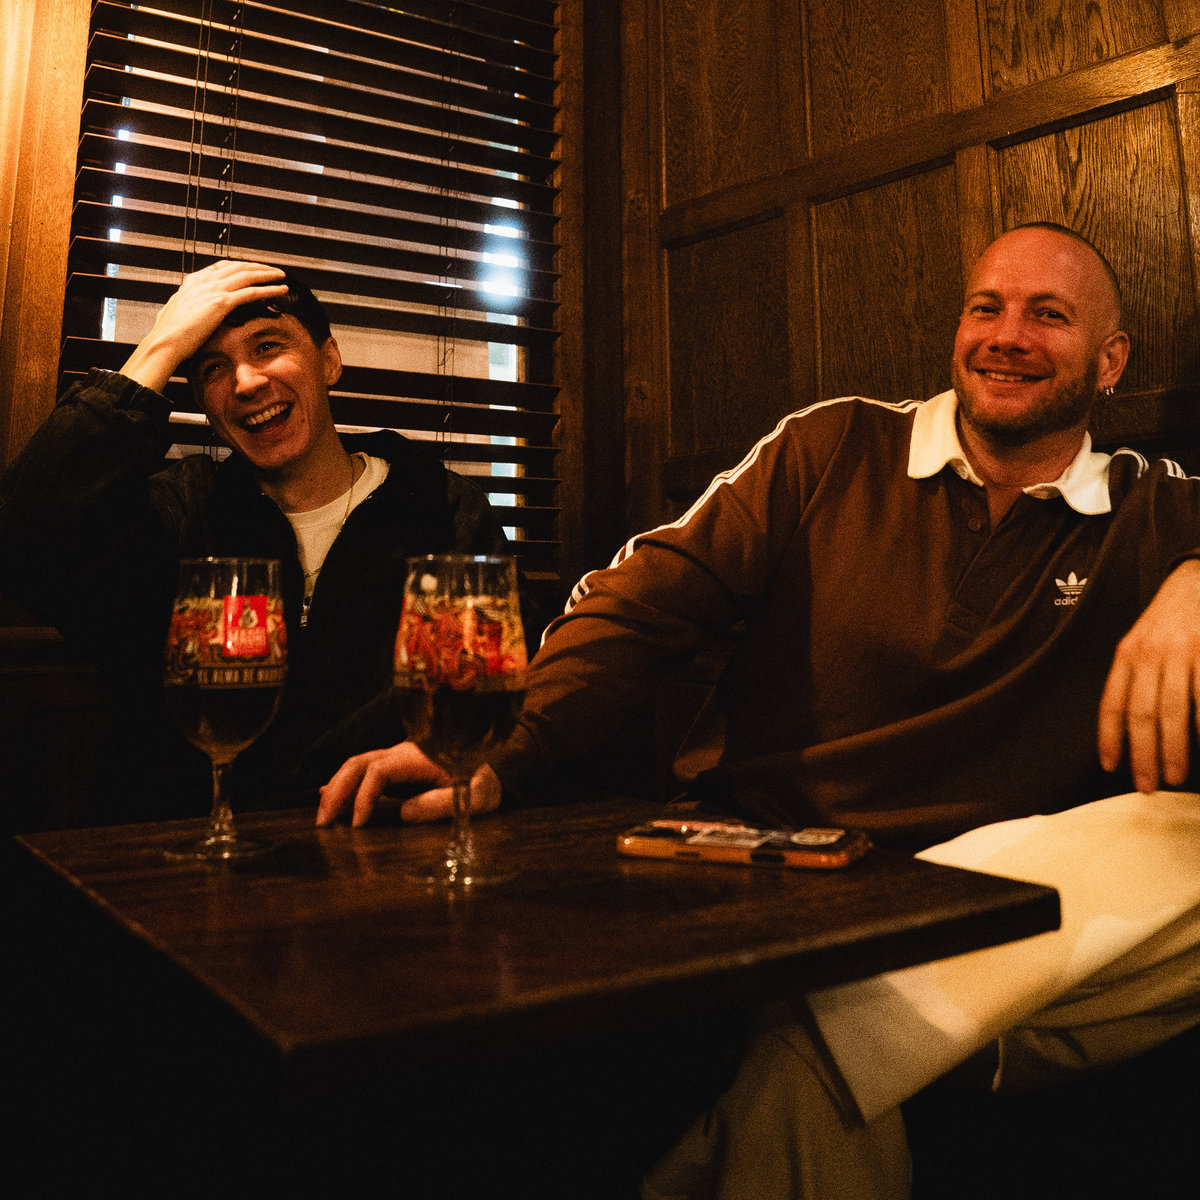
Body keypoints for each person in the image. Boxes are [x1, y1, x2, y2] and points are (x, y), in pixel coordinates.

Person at [317, 223, 1200, 1197]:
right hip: (775, 877)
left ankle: (830, 1031)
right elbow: (644, 598)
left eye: (1049, 315)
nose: (1006, 336)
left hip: (978, 904)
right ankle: (876, 1035)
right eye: (984, 307)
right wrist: (501, 749)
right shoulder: (837, 445)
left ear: (1110, 361)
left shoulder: (1152, 511)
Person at [0, 260, 510, 823]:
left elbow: (500, 697)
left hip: (377, 839)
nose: (245, 383)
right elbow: (23, 536)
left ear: (329, 360)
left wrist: (491, 771)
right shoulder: (178, 512)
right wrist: (162, 345)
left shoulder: (444, 509)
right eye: (213, 368)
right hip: (182, 850)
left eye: (268, 347)